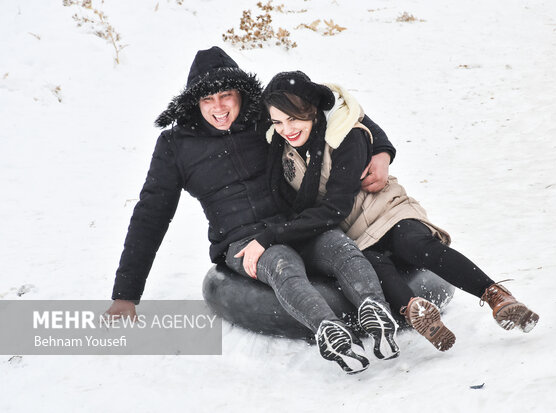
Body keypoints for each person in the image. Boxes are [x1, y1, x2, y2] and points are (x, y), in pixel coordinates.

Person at [106, 47, 402, 374]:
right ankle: (329, 331)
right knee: (281, 262)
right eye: (207, 100)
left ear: (240, 94)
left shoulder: (263, 114)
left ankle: (376, 311)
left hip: (295, 222)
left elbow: (337, 113)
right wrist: (126, 294)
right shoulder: (175, 146)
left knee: (338, 246)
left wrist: (381, 150)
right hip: (241, 240)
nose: (218, 108)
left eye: (225, 95)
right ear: (195, 102)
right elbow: (151, 214)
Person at [249, 71, 539, 352]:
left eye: (293, 118)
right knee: (373, 265)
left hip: (386, 209)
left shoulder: (346, 135)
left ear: (311, 110)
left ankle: (496, 296)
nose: (287, 129)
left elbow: (335, 207)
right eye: (278, 122)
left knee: (414, 244)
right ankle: (417, 311)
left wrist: (272, 235)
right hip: (353, 234)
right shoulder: (280, 147)